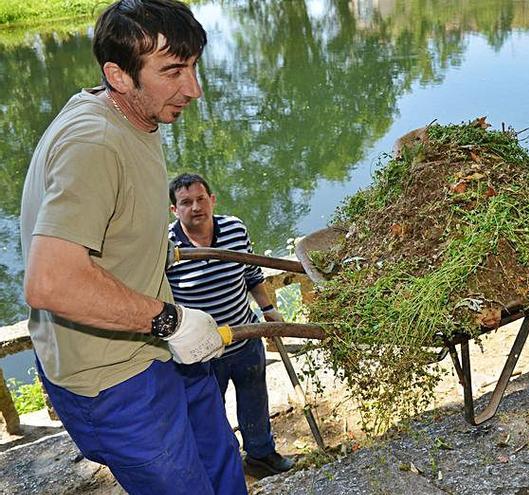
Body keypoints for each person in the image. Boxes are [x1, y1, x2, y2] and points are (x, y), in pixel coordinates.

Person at [19, 1, 247, 493]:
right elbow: (50, 282)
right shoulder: (94, 144)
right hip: (113, 377)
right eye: (173, 71)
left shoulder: (137, 112)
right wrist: (171, 320)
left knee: (223, 466)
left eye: (192, 66)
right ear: (118, 76)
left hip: (159, 348)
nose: (194, 89)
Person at [166, 173, 295, 477]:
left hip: (245, 337)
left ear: (212, 200)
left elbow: (251, 275)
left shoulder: (234, 229)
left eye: (200, 199)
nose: (195, 207)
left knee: (255, 398)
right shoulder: (166, 247)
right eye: (186, 202)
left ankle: (261, 456)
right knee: (208, 413)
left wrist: (268, 309)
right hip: (202, 352)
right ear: (174, 210)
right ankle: (222, 468)